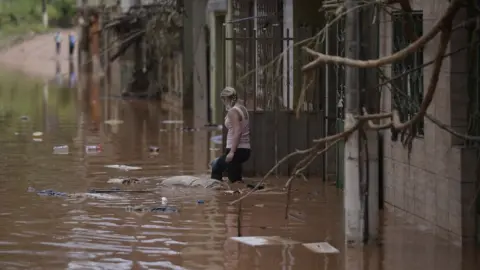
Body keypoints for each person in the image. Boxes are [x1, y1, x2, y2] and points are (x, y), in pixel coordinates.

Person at [210, 87, 251, 183]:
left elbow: (238, 131)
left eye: (223, 100)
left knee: (216, 166)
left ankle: (216, 192)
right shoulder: (243, 109)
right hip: (245, 149)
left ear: (226, 99)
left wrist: (232, 152)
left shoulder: (232, 112)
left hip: (236, 149)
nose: (223, 103)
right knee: (236, 180)